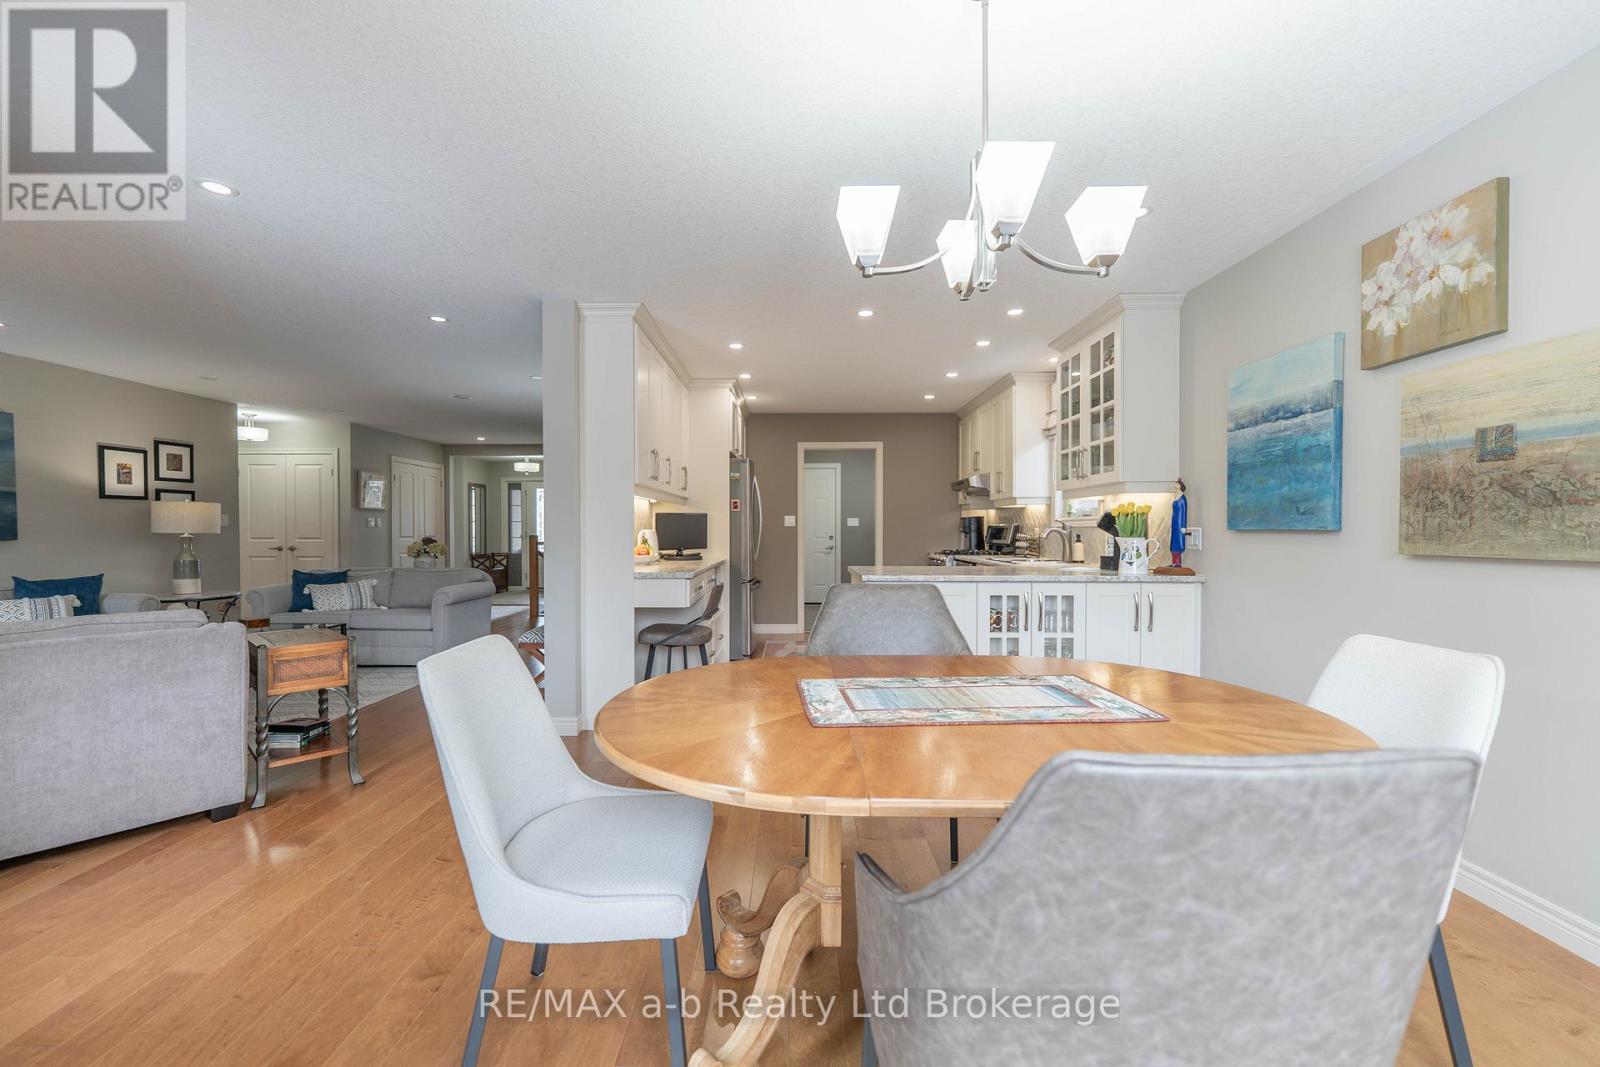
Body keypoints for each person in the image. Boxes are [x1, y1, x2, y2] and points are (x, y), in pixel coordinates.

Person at [1170, 478, 1188, 567]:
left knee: (1178, 542)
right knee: (1173, 542)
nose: (1175, 485)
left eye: (1176, 484)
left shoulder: (1182, 498)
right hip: (1175, 522)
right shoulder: (1176, 496)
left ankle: (1177, 562)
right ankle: (1174, 561)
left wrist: (1184, 526)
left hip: (1180, 523)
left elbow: (1184, 512)